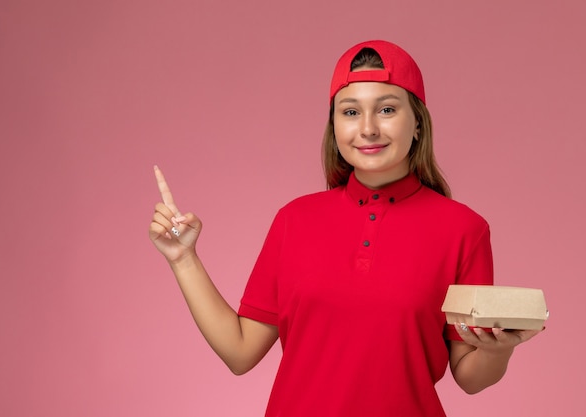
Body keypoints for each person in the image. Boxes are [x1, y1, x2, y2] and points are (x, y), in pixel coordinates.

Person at [149, 40, 542, 417]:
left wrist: (497, 349)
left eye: (387, 110)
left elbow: (470, 378)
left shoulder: (464, 230)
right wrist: (183, 259)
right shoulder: (294, 220)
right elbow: (239, 352)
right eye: (350, 112)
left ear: (418, 123)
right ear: (334, 127)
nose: (367, 129)